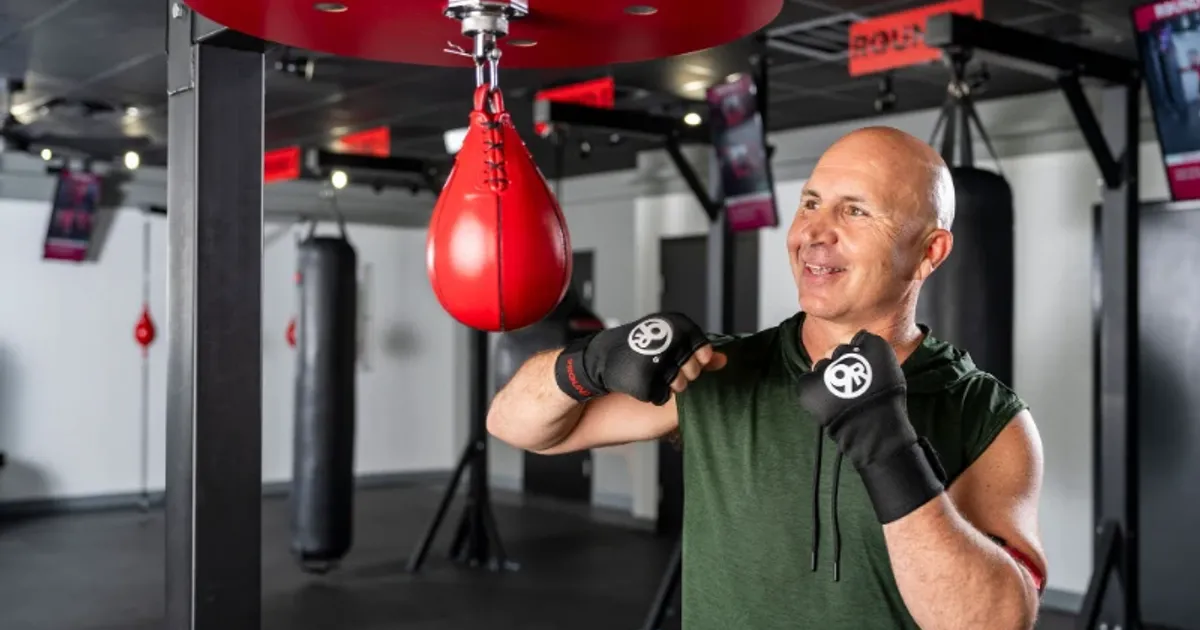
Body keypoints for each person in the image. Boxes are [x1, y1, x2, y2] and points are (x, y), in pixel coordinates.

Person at [487, 126, 1047, 630]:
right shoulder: (718, 373)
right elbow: (516, 425)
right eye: (810, 203)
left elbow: (995, 622)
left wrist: (891, 453)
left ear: (930, 252)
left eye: (855, 211)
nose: (814, 232)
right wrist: (587, 362)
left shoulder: (987, 416)